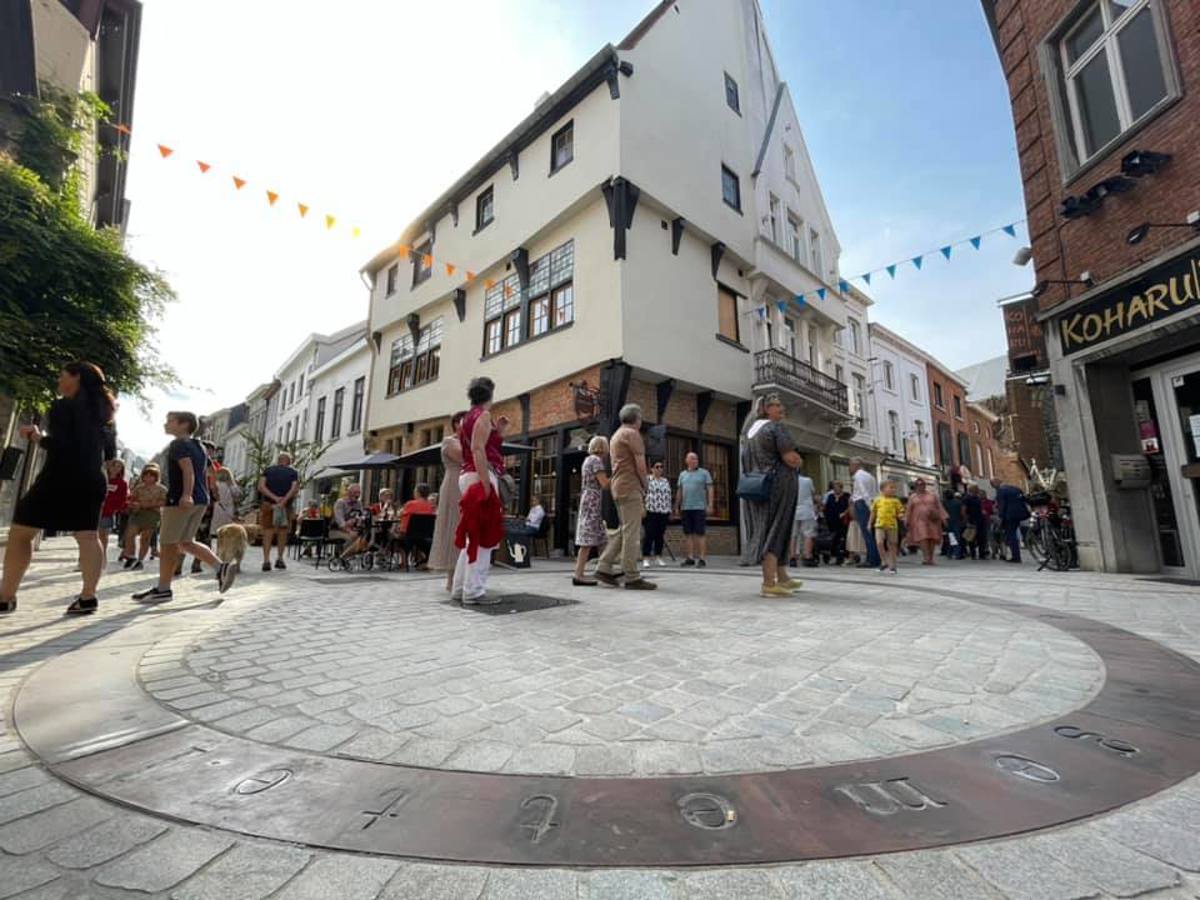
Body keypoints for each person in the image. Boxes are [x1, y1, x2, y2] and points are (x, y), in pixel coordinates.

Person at [0, 362, 117, 615]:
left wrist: (37, 436)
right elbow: (108, 453)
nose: (59, 380)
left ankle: (6, 596)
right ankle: (88, 597)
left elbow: (63, 445)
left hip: (60, 476)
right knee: (88, 536)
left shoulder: (63, 406)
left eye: (62, 375)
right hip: (92, 479)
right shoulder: (105, 414)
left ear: (75, 379)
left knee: (21, 532)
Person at [131, 412, 235, 603]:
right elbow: (211, 471)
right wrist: (208, 492)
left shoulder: (178, 444)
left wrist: (186, 494)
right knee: (185, 542)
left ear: (183, 424)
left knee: (168, 543)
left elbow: (187, 469)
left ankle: (163, 589)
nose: (166, 424)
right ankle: (221, 568)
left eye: (170, 421)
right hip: (201, 500)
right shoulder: (200, 446)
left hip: (182, 500)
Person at [742, 395, 803, 597]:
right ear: (766, 409)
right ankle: (769, 583)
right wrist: (799, 461)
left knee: (767, 527)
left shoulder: (749, 432)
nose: (781, 408)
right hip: (779, 485)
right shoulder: (775, 428)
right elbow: (791, 459)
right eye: (777, 405)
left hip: (758, 485)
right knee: (777, 529)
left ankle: (782, 576)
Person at [453, 377, 507, 604]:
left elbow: (480, 445)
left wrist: (499, 431)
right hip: (479, 475)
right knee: (484, 537)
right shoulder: (483, 416)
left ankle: (460, 588)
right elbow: (478, 449)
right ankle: (474, 591)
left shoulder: (467, 417)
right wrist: (486, 483)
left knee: (471, 535)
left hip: (467, 474)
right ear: (491, 394)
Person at [595, 404, 656, 590]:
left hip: (618, 486)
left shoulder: (616, 435)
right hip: (630, 487)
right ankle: (632, 575)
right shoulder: (632, 434)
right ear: (637, 418)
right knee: (632, 532)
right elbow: (640, 465)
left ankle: (604, 567)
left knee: (625, 530)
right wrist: (646, 486)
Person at [429, 411, 467, 592]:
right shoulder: (449, 441)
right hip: (454, 485)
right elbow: (464, 457)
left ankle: (465, 575)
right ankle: (451, 578)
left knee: (468, 528)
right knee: (454, 526)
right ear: (456, 424)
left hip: (469, 483)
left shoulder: (471, 441)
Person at [572, 436, 609, 586]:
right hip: (592, 501)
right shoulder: (596, 461)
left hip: (588, 500)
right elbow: (604, 484)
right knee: (588, 541)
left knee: (601, 538)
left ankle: (606, 569)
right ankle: (579, 574)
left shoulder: (588, 460)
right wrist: (619, 477)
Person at [256, 452, 300, 572]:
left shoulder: (268, 470)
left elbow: (261, 486)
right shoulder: (293, 472)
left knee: (267, 532)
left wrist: (275, 498)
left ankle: (266, 561)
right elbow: (294, 488)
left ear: (278, 460)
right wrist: (283, 501)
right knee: (282, 533)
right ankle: (280, 559)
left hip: (268, 504)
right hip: (286, 506)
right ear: (289, 461)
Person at [123, 465, 166, 570]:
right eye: (146, 476)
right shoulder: (139, 488)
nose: (148, 478)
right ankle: (131, 556)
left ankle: (140, 560)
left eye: (151, 476)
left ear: (156, 477)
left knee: (145, 538)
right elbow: (131, 499)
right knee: (130, 534)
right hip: (138, 513)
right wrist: (133, 504)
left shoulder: (161, 489)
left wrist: (148, 504)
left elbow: (164, 501)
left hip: (152, 515)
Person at [675, 452, 714, 567]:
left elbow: (710, 489)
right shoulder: (682, 475)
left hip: (699, 508)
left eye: (696, 459)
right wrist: (677, 506)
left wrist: (710, 504)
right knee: (688, 534)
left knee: (700, 533)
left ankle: (702, 558)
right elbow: (679, 491)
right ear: (686, 460)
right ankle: (690, 558)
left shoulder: (704, 473)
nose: (694, 460)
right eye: (692, 458)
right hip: (686, 508)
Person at [904, 478, 947, 565]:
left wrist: (944, 518)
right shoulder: (913, 497)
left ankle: (931, 558)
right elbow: (909, 509)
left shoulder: (932, 495)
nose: (921, 487)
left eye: (922, 485)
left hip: (932, 519)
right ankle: (926, 557)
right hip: (918, 520)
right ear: (916, 486)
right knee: (923, 537)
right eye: (919, 485)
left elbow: (939, 506)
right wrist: (906, 519)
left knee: (932, 538)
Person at [849, 458, 881, 569]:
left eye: (850, 465)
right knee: (871, 531)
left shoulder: (858, 476)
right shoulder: (870, 476)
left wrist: (868, 505)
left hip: (863, 503)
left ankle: (872, 559)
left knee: (866, 532)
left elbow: (863, 492)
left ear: (855, 465)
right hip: (870, 502)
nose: (850, 468)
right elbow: (876, 492)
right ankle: (875, 557)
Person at [869, 480, 904, 574]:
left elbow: (900, 510)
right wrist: (869, 523)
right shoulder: (877, 500)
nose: (893, 489)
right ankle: (884, 561)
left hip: (892, 525)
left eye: (894, 488)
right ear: (882, 489)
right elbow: (873, 512)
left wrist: (901, 515)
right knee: (879, 542)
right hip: (879, 525)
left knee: (892, 545)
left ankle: (893, 566)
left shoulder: (896, 501)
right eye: (891, 487)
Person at [642, 460, 672, 568]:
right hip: (650, 510)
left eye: (661, 467)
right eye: (657, 467)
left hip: (663, 511)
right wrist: (642, 508)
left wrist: (670, 510)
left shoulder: (665, 481)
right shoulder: (647, 480)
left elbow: (668, 496)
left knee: (660, 535)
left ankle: (659, 556)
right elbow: (642, 494)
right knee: (649, 534)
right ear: (652, 469)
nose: (659, 469)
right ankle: (646, 557)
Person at [99, 459, 128, 564]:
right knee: (88, 536)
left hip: (107, 513)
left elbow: (122, 500)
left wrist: (112, 507)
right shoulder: (101, 479)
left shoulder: (122, 483)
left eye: (119, 466)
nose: (115, 468)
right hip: (94, 510)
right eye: (113, 465)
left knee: (103, 536)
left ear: (122, 469)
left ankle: (102, 557)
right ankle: (84, 559)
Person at [993, 478, 1027, 564]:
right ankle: (1016, 554)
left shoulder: (1001, 491)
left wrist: (1000, 517)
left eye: (993, 485)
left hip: (1009, 515)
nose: (994, 488)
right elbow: (1023, 499)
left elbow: (1002, 505)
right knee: (1014, 533)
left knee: (1011, 534)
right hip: (1019, 514)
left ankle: (1016, 556)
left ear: (997, 483)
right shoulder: (1015, 488)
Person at [332, 483, 369, 559]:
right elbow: (340, 522)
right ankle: (343, 557)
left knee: (365, 537)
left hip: (352, 529)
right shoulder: (340, 503)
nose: (357, 495)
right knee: (352, 537)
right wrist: (349, 530)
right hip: (335, 530)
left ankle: (349, 556)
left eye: (359, 493)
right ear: (349, 492)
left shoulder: (358, 503)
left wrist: (361, 519)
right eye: (355, 492)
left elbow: (362, 516)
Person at [792, 470, 819, 567]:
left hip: (792, 510)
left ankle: (792, 558)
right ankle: (807, 557)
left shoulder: (788, 481)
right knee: (808, 534)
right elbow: (813, 494)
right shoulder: (808, 480)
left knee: (793, 534)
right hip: (806, 510)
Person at [823, 481, 850, 565]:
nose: (835, 489)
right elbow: (826, 507)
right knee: (833, 538)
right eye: (834, 488)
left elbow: (850, 506)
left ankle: (844, 555)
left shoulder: (846, 496)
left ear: (841, 488)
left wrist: (844, 513)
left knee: (843, 538)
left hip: (843, 521)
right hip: (832, 520)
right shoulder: (830, 496)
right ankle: (834, 555)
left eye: (837, 487)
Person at [210, 467, 242, 531]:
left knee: (216, 528)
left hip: (218, 507)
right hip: (229, 509)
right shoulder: (232, 486)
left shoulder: (216, 485)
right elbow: (238, 495)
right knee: (227, 529)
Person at [964, 484, 988, 560]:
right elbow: (964, 510)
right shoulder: (967, 498)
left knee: (981, 537)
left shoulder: (977, 498)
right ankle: (973, 554)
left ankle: (982, 553)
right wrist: (966, 520)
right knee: (972, 538)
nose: (978, 490)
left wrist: (982, 512)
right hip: (972, 520)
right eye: (976, 489)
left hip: (980, 520)